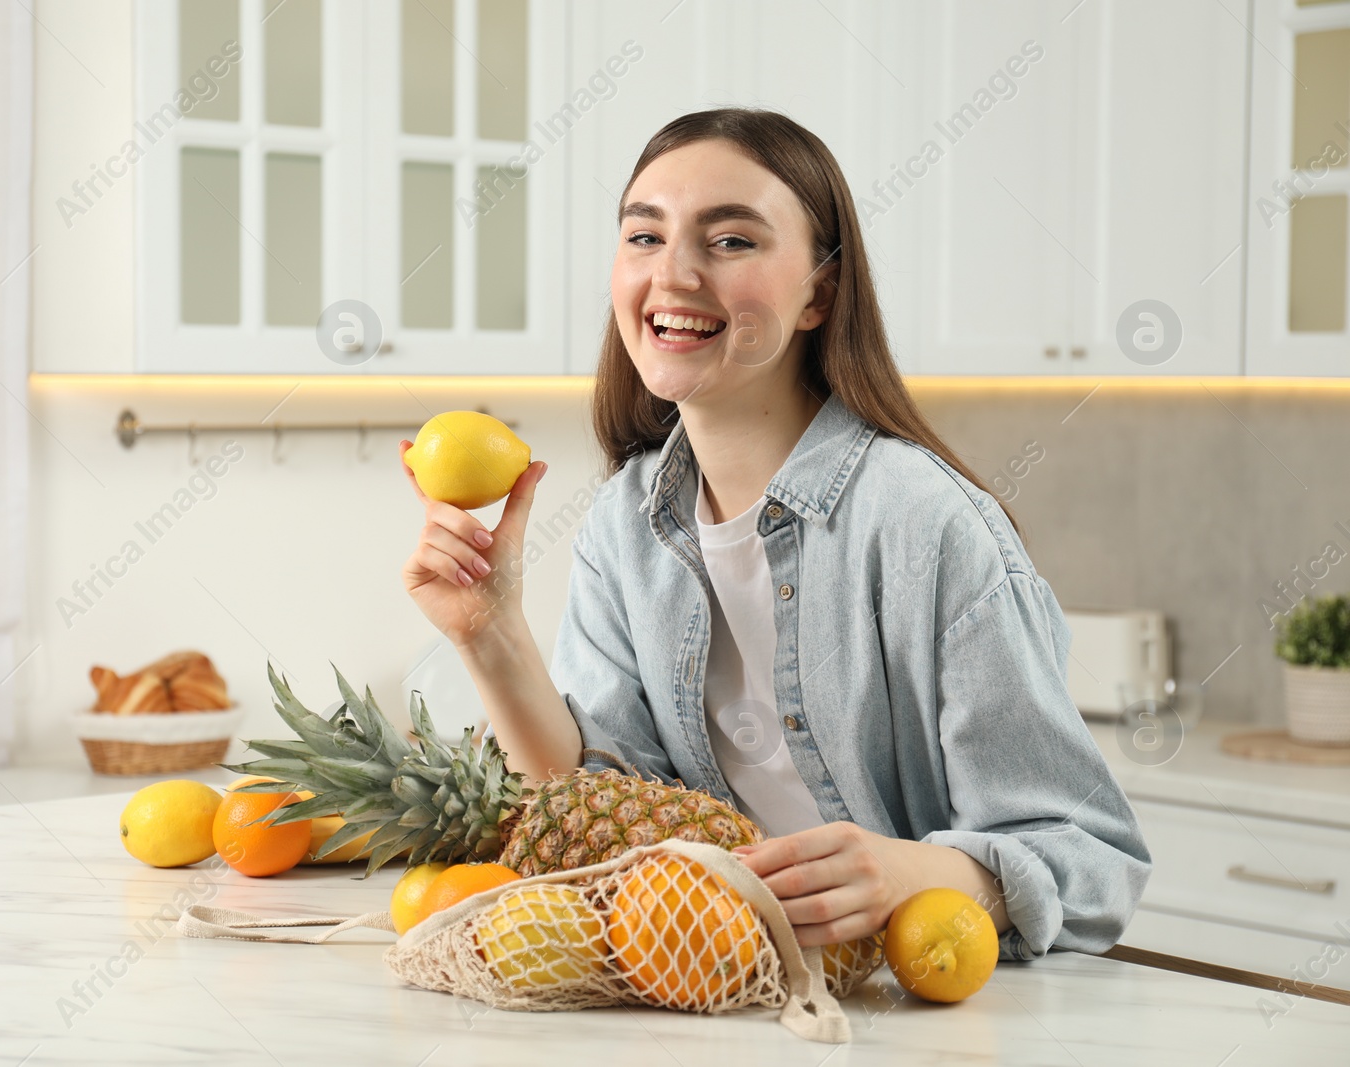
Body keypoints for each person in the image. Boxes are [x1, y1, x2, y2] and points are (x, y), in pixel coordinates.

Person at [399, 108, 1149, 961]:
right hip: (713, 988)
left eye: (731, 242)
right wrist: (489, 633)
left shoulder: (924, 527)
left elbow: (1091, 860)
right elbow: (594, 806)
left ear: (818, 295)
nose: (673, 274)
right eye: (645, 236)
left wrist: (919, 874)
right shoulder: (625, 524)